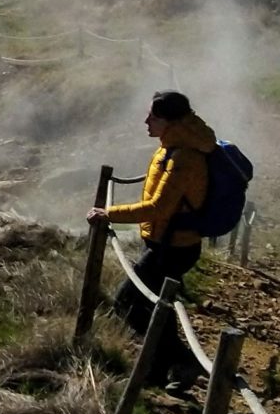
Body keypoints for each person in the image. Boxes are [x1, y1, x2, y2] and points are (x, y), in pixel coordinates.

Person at [88, 90, 216, 383]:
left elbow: (159, 208)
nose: (146, 121)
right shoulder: (171, 146)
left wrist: (109, 214)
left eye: (153, 117)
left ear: (170, 122)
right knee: (158, 306)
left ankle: (186, 362)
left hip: (174, 247)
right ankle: (159, 372)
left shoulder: (184, 157)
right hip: (168, 242)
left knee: (127, 302)